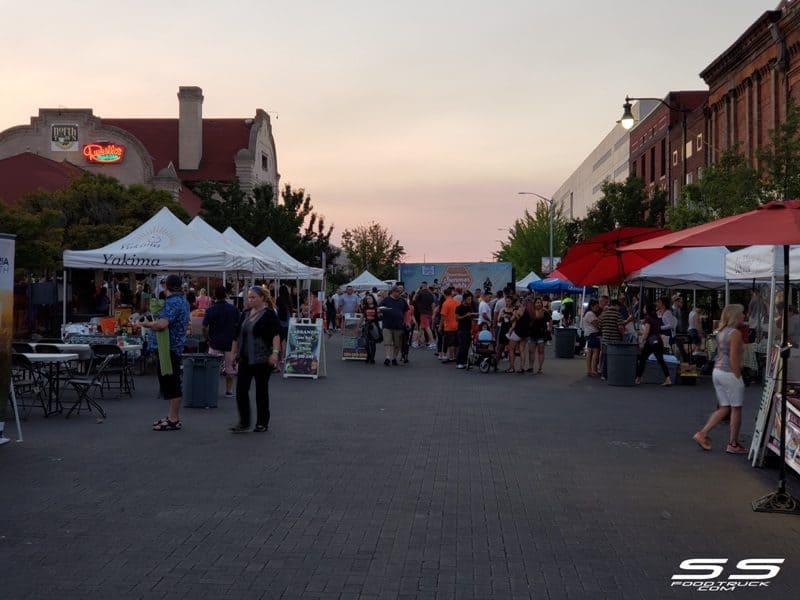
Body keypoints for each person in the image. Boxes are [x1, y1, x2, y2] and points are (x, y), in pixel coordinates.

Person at [693, 304, 748, 453]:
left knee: (724, 407)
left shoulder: (721, 331)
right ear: (735, 316)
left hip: (717, 371)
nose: (744, 315)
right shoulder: (735, 333)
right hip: (729, 373)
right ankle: (733, 444)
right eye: (742, 313)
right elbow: (734, 359)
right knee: (736, 408)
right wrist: (739, 376)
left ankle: (703, 433)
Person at [229, 286, 281, 433]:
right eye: (249, 297)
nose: (250, 300)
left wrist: (275, 353)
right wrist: (233, 353)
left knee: (261, 390)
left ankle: (262, 422)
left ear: (262, 298)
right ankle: (244, 422)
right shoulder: (245, 313)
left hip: (262, 358)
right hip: (245, 357)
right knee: (241, 390)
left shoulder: (269, 315)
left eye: (253, 297)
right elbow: (237, 334)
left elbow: (276, 334)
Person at [145, 274, 191, 431]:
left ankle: (173, 418)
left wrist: (146, 324)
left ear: (166, 286)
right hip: (175, 346)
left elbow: (162, 324)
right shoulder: (183, 301)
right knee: (171, 382)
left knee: (171, 383)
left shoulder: (173, 303)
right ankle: (172, 416)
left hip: (168, 348)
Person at [202, 286, 240, 398]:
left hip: (214, 342)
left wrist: (207, 338)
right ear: (226, 294)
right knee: (229, 369)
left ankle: (211, 389)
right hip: (230, 343)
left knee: (212, 368)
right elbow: (239, 325)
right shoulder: (234, 309)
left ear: (214, 295)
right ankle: (229, 390)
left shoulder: (210, 310)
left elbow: (204, 327)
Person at [635, 303, 673, 386]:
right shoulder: (657, 318)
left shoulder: (647, 318)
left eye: (644, 307)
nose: (643, 309)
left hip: (650, 342)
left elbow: (647, 331)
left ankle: (638, 378)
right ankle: (668, 379)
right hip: (658, 341)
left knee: (642, 359)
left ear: (647, 309)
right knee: (661, 360)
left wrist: (642, 340)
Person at [379, 286, 407, 366]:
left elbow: (406, 312)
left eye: (399, 292)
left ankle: (394, 358)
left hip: (399, 325)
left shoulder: (402, 301)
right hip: (387, 325)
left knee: (397, 344)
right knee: (387, 342)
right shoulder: (386, 300)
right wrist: (381, 312)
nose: (399, 293)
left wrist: (407, 322)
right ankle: (388, 358)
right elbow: (380, 309)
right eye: (397, 291)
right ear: (393, 292)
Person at [599, 299, 625, 380]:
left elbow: (599, 325)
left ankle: (604, 374)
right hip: (615, 340)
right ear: (616, 305)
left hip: (605, 339)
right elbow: (620, 327)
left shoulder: (603, 314)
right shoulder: (618, 315)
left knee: (605, 357)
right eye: (619, 306)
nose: (619, 308)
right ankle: (612, 374)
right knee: (614, 358)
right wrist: (623, 334)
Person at [527, 297, 551, 374]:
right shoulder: (531, 312)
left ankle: (540, 368)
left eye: (540, 302)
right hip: (532, 333)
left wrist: (549, 329)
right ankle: (531, 367)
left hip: (541, 334)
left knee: (541, 351)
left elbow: (550, 320)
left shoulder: (544, 312)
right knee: (531, 352)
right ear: (534, 304)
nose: (538, 304)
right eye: (537, 302)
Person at [455, 291, 477, 369]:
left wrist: (472, 328)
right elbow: (457, 318)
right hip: (461, 329)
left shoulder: (469, 307)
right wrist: (465, 315)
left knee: (467, 346)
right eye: (468, 299)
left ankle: (464, 362)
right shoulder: (459, 307)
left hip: (468, 329)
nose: (470, 301)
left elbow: (471, 319)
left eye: (470, 299)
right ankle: (459, 362)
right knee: (462, 346)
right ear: (464, 299)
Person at [439, 287, 459, 363]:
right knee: (456, 343)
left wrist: (440, 326)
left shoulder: (445, 303)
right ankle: (456, 356)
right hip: (457, 325)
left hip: (449, 326)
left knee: (451, 343)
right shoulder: (457, 302)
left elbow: (443, 316)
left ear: (445, 294)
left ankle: (451, 357)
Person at [413, 282, 436, 349]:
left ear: (422, 286)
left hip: (423, 313)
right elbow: (433, 304)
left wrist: (417, 292)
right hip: (429, 313)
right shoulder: (430, 294)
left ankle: (432, 342)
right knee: (421, 327)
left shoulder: (421, 293)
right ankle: (417, 342)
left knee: (426, 327)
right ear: (427, 286)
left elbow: (414, 299)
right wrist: (432, 313)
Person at [582, 299, 601, 377]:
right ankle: (593, 370)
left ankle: (589, 370)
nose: (597, 308)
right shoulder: (590, 314)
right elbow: (596, 324)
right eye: (596, 307)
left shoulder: (589, 313)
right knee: (595, 352)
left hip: (589, 334)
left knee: (590, 352)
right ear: (592, 306)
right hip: (593, 334)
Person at [360, 294, 381, 364]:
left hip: (374, 326)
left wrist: (379, 313)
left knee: (373, 343)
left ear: (373, 299)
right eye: (367, 299)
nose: (368, 300)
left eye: (370, 298)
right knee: (365, 343)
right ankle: (368, 356)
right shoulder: (365, 307)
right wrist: (358, 326)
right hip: (366, 326)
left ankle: (372, 358)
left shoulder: (376, 307)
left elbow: (379, 317)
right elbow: (362, 317)